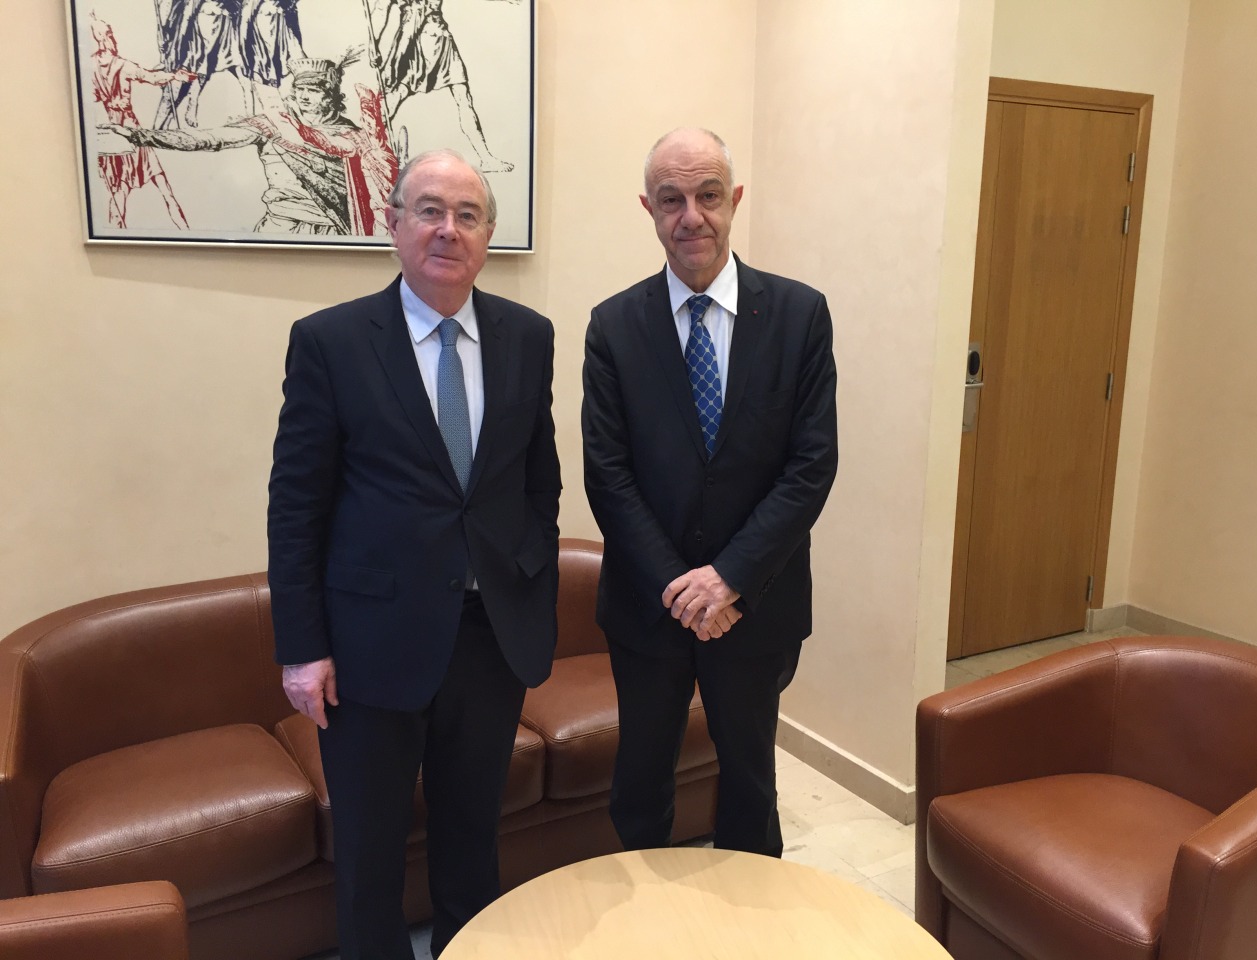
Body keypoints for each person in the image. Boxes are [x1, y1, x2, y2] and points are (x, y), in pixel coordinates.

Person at [267, 148, 560, 959]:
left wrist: (529, 582)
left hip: (488, 638)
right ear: (390, 224)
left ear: (489, 236)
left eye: (467, 215)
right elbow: (296, 507)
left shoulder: (527, 337)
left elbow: (540, 482)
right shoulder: (331, 341)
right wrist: (303, 648)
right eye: (428, 210)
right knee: (369, 855)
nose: (447, 230)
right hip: (370, 649)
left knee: (474, 842)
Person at [582, 127, 838, 858]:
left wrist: (729, 580)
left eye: (707, 195)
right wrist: (681, 587)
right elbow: (609, 473)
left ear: (736, 201)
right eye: (671, 199)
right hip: (647, 608)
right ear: (648, 208)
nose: (690, 215)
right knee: (640, 787)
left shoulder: (799, 316)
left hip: (756, 605)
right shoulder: (613, 327)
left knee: (752, 788)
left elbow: (810, 466)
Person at [104, 57, 397, 235]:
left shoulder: (354, 135)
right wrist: (139, 135)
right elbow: (208, 138)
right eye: (300, 90)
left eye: (314, 91)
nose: (305, 97)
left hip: (338, 232)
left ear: (331, 95)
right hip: (280, 228)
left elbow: (339, 151)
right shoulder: (273, 124)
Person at [370, 0, 513, 171]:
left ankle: (486, 158)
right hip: (415, 39)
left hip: (442, 38)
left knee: (463, 96)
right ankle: (370, 146)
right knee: (399, 91)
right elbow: (380, 8)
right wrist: (374, 44)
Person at [88, 15, 195, 228]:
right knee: (163, 188)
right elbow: (151, 78)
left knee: (119, 192)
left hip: (112, 130)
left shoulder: (90, 67)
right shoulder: (122, 65)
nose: (114, 39)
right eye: (110, 35)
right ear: (104, 38)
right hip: (130, 130)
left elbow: (92, 99)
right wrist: (175, 76)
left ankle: (116, 238)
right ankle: (185, 232)